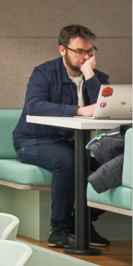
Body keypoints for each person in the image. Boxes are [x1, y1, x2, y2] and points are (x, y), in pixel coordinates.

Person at [13, 24, 114, 249]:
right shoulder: (44, 73)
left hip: (73, 144)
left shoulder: (98, 77)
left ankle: (81, 221)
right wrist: (78, 111)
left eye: (90, 51)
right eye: (80, 52)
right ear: (62, 50)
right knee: (66, 161)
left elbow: (105, 108)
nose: (86, 57)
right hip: (32, 141)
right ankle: (58, 226)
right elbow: (34, 106)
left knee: (115, 165)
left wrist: (89, 74)